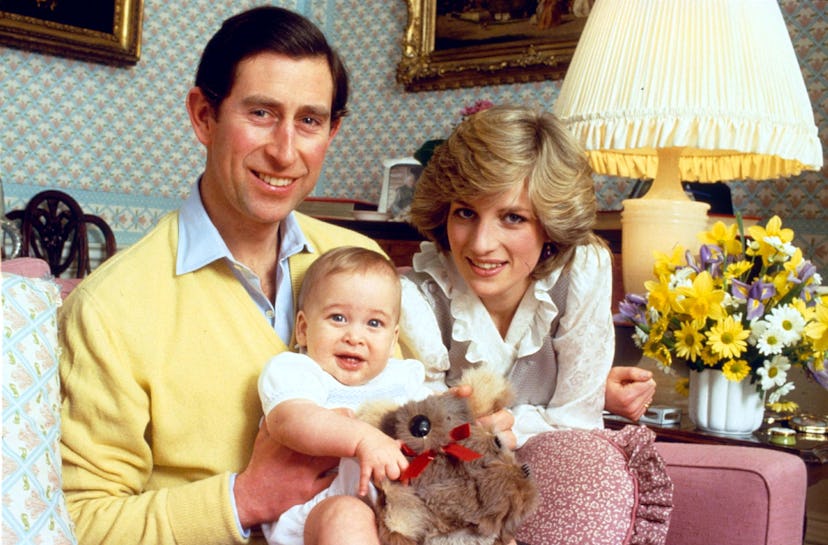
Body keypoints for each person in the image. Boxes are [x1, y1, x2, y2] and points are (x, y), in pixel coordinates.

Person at [57, 7, 387, 545]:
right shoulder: (111, 307)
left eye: (309, 120)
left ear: (333, 130)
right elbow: (80, 521)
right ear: (203, 116)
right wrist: (245, 497)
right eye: (261, 113)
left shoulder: (362, 260)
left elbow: (421, 418)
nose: (285, 152)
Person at [398, 104, 654, 449]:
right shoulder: (415, 299)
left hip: (561, 459)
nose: (481, 243)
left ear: (549, 225)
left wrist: (507, 429)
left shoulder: (582, 269)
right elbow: (422, 438)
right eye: (465, 212)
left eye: (513, 217)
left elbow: (578, 422)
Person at [258, 246, 433, 545]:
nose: (355, 337)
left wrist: (462, 414)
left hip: (402, 510)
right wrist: (363, 438)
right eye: (338, 318)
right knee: (347, 517)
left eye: (374, 323)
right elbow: (290, 420)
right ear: (303, 328)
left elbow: (436, 423)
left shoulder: (405, 378)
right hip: (324, 505)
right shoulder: (298, 370)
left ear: (393, 340)